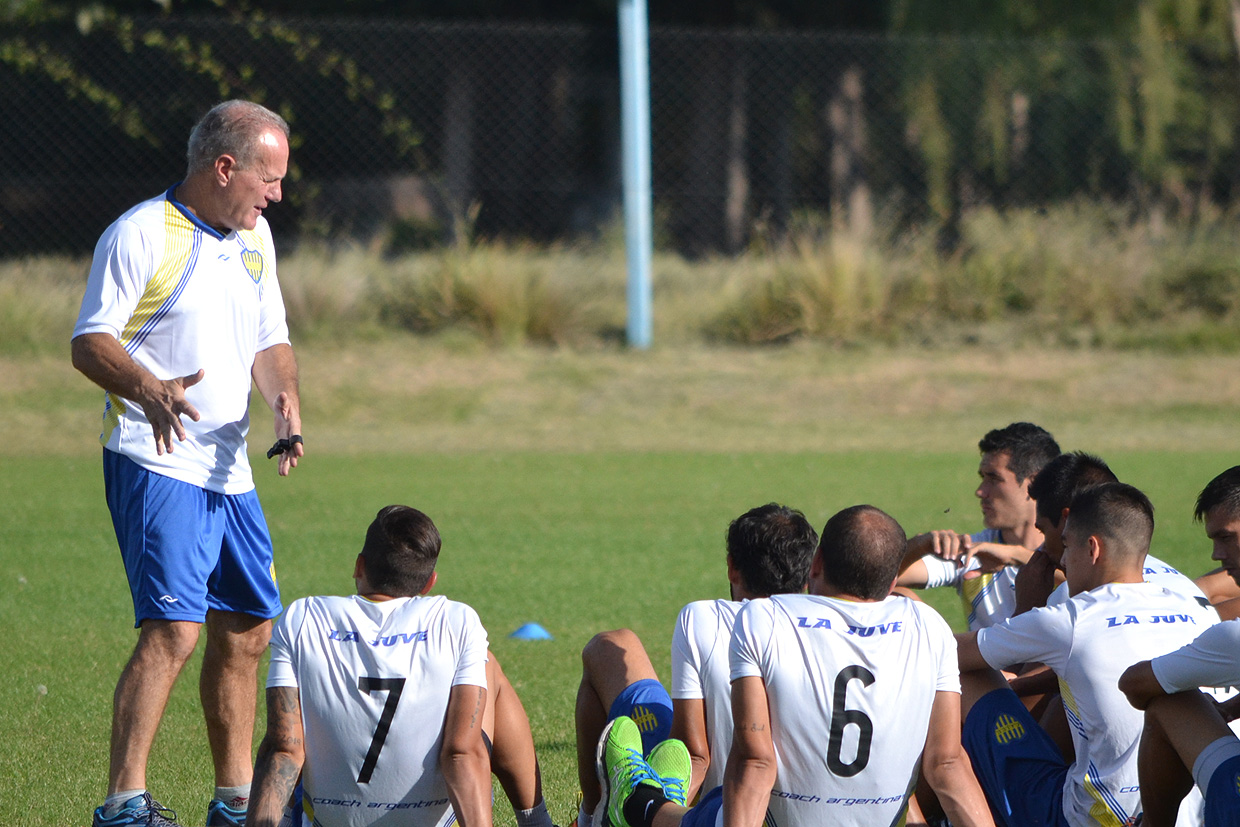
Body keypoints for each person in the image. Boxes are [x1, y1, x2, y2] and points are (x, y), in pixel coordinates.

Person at [73, 100, 303, 827]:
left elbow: (270, 341)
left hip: (229, 470)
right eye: (268, 178)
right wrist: (146, 387)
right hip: (156, 457)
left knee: (247, 628)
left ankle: (235, 800)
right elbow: (89, 341)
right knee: (175, 630)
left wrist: (285, 401)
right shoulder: (142, 233)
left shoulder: (255, 235)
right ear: (224, 166)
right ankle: (123, 804)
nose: (277, 194)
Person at [597, 505, 996, 827]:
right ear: (893, 581)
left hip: (774, 816)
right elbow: (946, 762)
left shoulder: (764, 618)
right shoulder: (929, 627)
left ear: (816, 563)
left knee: (691, 810)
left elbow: (755, 760)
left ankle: (638, 802)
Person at [955, 482, 1218, 826]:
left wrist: (1024, 609)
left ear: (1093, 549)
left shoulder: (1072, 619)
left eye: (1066, 547)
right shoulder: (1196, 607)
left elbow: (947, 653)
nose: (1063, 561)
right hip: (1191, 813)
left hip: (1091, 819)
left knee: (966, 675)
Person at [247, 505, 494, 827]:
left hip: (328, 819)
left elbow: (285, 750)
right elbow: (460, 754)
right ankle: (535, 818)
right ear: (429, 582)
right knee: (491, 674)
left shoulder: (304, 617)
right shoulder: (457, 621)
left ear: (359, 566)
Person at [573, 503, 817, 826]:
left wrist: (657, 809)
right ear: (807, 577)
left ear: (732, 568)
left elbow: (692, 753)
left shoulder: (702, 618)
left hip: (719, 809)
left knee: (610, 646)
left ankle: (592, 816)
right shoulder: (827, 632)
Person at [1118, 465, 1240, 825]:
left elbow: (1136, 685)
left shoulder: (1232, 638)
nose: (1217, 554)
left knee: (1172, 702)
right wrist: (1232, 707)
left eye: (1226, 537)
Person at [897, 422, 1060, 630]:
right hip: (983, 662)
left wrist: (1017, 556)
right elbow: (875, 580)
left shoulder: (1073, 547)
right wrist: (919, 546)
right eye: (983, 478)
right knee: (898, 596)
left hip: (1055, 663)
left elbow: (1102, 584)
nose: (980, 491)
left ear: (1034, 485)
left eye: (994, 479)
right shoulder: (976, 551)